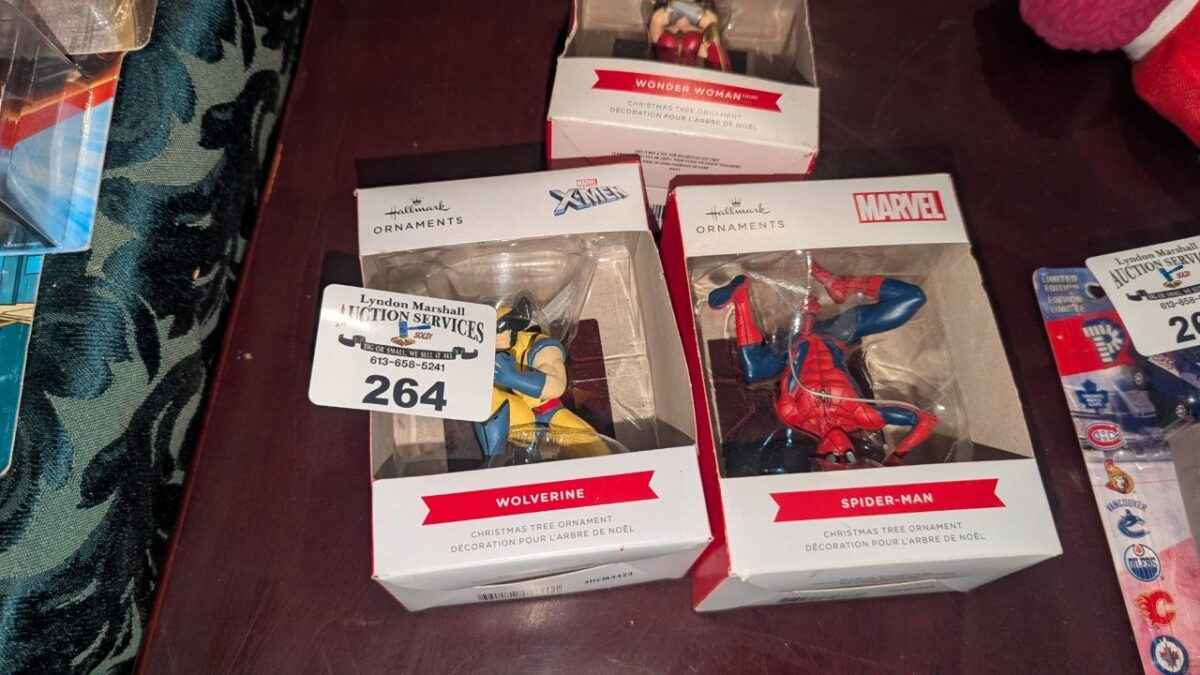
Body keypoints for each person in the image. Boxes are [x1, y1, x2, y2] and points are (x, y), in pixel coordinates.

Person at [707, 262, 937, 470]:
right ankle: (843, 284)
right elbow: (925, 420)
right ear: (856, 453)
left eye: (832, 457)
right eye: (847, 457)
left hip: (794, 344)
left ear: (817, 454)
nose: (839, 450)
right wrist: (896, 457)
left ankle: (740, 297)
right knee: (912, 298)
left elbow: (791, 375)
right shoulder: (864, 417)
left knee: (754, 371)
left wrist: (804, 326)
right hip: (834, 336)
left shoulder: (796, 418)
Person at [474, 294, 609, 463]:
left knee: (595, 449)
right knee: (484, 399)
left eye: (495, 331)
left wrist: (513, 378)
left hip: (548, 412)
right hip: (515, 415)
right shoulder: (484, 351)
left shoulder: (540, 346)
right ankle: (495, 462)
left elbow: (556, 385)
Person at [647, 1, 731, 71]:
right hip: (661, 76)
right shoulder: (659, 15)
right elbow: (657, 22)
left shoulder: (709, 18)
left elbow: (710, 24)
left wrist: (678, 6)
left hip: (697, 78)